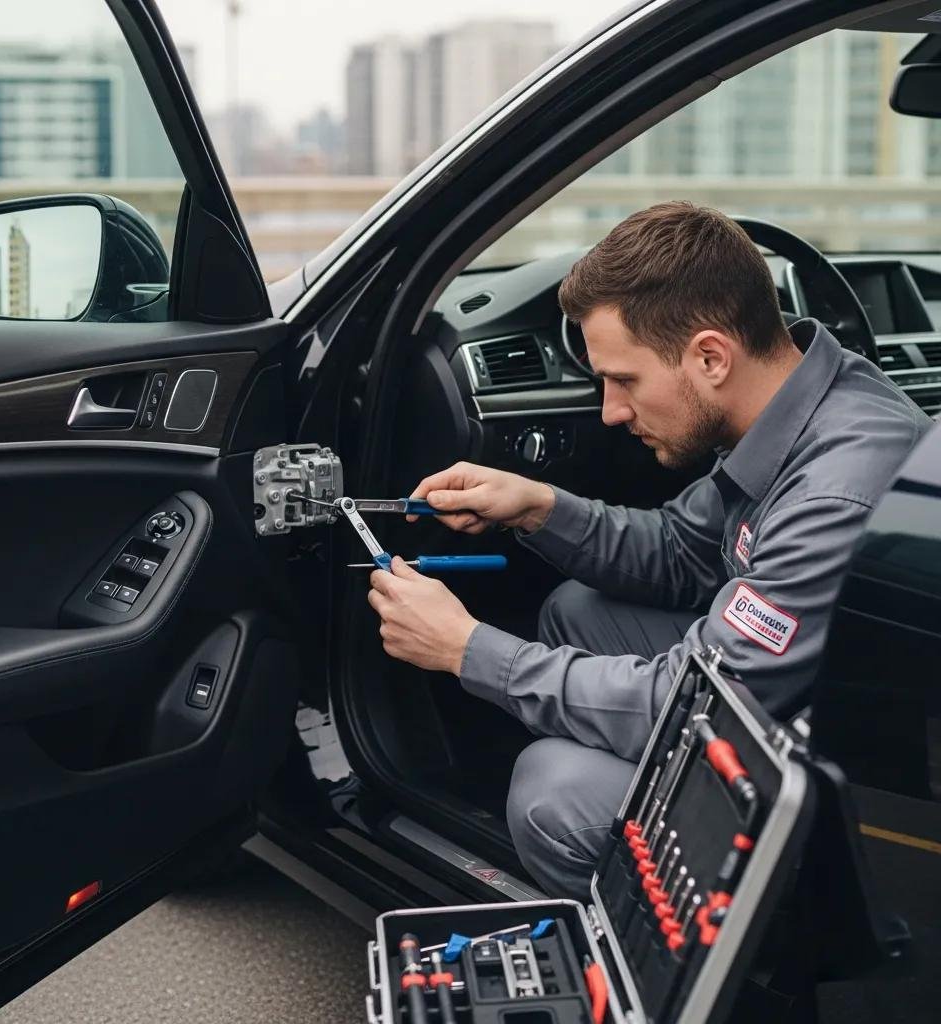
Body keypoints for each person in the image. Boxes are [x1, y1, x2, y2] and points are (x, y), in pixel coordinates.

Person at [365, 201, 931, 900]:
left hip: (850, 787)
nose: (609, 410)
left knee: (554, 791)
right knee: (580, 611)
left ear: (711, 356)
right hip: (799, 692)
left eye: (624, 380)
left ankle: (711, 974)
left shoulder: (834, 491)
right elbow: (682, 551)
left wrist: (466, 648)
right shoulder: (799, 399)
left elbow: (702, 707)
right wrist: (540, 507)